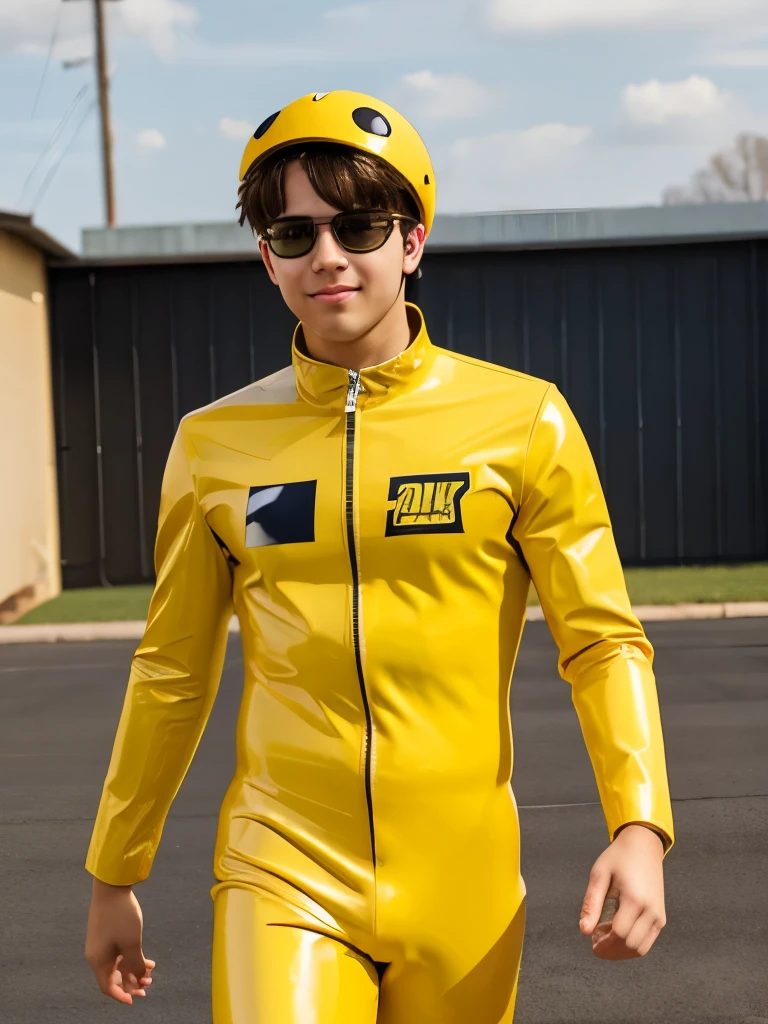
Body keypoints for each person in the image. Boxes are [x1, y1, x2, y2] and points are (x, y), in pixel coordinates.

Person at [83, 90, 675, 1023]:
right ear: (265, 255)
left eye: (358, 225)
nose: (327, 256)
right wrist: (115, 870)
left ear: (413, 240)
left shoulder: (525, 422)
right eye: (293, 232)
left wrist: (640, 826)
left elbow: (602, 642)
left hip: (465, 878)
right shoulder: (213, 445)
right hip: (280, 864)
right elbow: (172, 670)